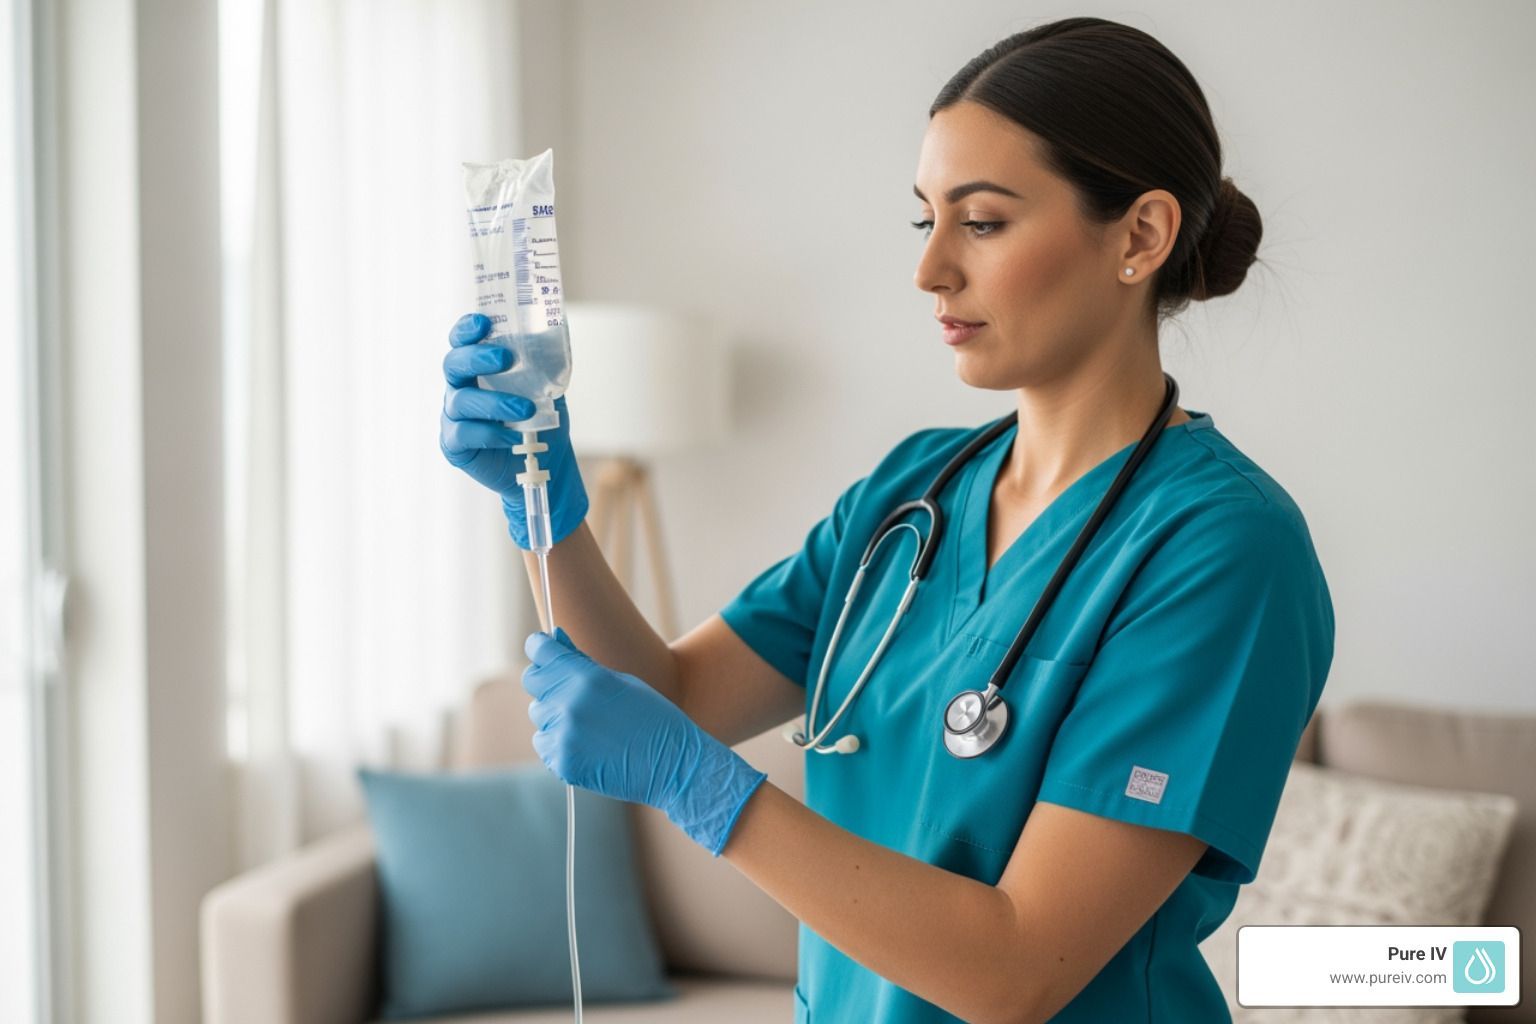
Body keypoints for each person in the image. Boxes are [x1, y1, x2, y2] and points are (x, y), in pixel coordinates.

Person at [439, 16, 1334, 1023]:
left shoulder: (1222, 549)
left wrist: (708, 791)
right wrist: (542, 510)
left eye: (983, 222)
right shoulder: (909, 498)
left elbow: (1020, 968)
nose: (931, 270)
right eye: (926, 222)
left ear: (1141, 235)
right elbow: (672, 694)